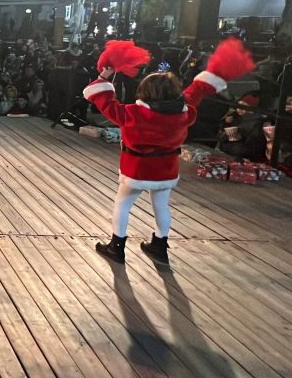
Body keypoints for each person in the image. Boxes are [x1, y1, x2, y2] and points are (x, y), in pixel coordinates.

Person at [86, 46, 244, 265]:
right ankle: (159, 247)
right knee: (161, 206)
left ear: (144, 91)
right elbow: (194, 94)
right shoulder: (185, 113)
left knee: (122, 204)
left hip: (137, 170)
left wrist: (104, 77)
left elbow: (105, 101)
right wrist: (207, 80)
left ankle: (117, 247)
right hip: (166, 170)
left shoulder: (133, 114)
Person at [217, 91, 268, 161]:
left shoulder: (257, 123)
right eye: (239, 105)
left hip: (243, 155)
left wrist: (239, 137)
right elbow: (221, 133)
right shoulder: (236, 117)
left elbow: (253, 148)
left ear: (251, 110)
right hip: (230, 151)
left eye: (243, 106)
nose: (238, 109)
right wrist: (226, 123)